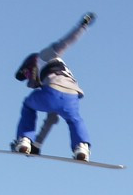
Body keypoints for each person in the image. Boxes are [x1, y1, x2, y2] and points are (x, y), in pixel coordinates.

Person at [12, 12, 96, 161]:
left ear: (30, 65)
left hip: (52, 91)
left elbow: (66, 42)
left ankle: (24, 139)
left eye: (27, 75)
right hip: (72, 97)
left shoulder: (45, 55)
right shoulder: (64, 70)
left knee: (28, 105)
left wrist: (82, 26)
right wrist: (37, 145)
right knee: (74, 119)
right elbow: (51, 120)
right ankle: (81, 148)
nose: (30, 81)